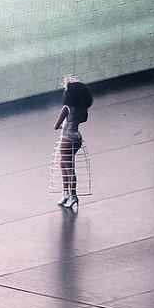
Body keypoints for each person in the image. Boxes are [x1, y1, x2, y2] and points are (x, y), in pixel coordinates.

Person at [52, 74, 93, 208]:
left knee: (67, 167)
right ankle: (67, 195)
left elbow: (55, 126)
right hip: (77, 138)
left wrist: (62, 125)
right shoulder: (81, 110)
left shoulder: (66, 108)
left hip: (67, 139)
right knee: (64, 164)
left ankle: (71, 195)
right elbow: (84, 120)